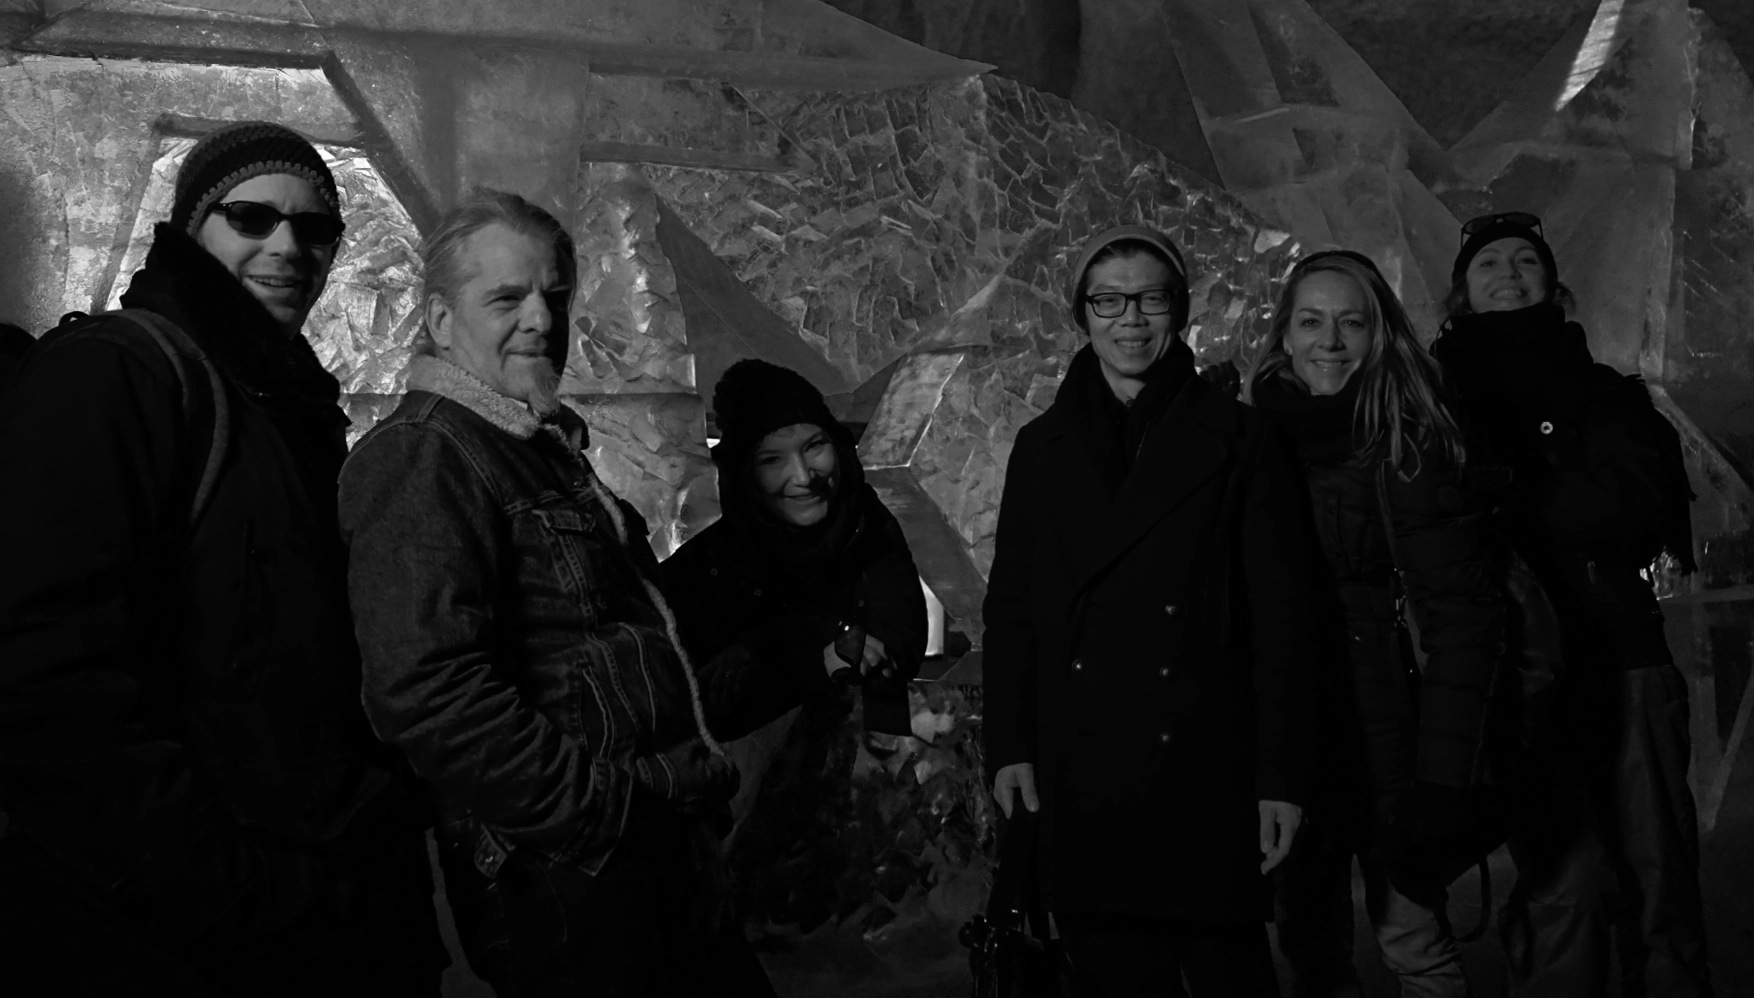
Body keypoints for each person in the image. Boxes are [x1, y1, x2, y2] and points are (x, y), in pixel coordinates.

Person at [0, 121, 446, 996]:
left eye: (316, 228)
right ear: (192, 228)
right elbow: (45, 678)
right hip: (176, 938)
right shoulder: (117, 374)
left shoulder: (286, 402)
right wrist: (232, 892)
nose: (288, 246)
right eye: (251, 217)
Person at [337, 187, 773, 998]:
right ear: (438, 322)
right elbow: (425, 694)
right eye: (506, 297)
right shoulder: (424, 456)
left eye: (555, 296)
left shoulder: (534, 447)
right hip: (574, 875)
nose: (541, 320)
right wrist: (607, 814)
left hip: (640, 853)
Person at [982, 223, 1321, 996]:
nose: (1130, 320)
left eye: (1150, 299)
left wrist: (1281, 777)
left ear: (1180, 311)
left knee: (1230, 978)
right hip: (1084, 762)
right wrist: (1009, 745)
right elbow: (1012, 611)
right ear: (1082, 314)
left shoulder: (1240, 438)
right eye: (1109, 301)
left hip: (1207, 763)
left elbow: (1283, 621)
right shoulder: (1041, 447)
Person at [1432, 212, 1710, 997]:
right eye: (1490, 263)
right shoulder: (1433, 395)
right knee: (1564, 878)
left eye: (1526, 260)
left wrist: (1505, 500)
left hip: (1621, 655)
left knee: (1658, 868)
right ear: (1463, 292)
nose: (1511, 272)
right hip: (1513, 675)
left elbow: (1636, 503)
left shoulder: (1605, 390)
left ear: (1555, 282)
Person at [1247, 251, 1512, 997]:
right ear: (1285, 335)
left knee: (1412, 940)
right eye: (1311, 321)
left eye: (1350, 322)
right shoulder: (1249, 438)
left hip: (1391, 726)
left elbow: (1463, 616)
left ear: (1378, 335)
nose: (1329, 340)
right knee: (1309, 948)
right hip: (1294, 734)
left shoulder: (1407, 441)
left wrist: (1444, 776)